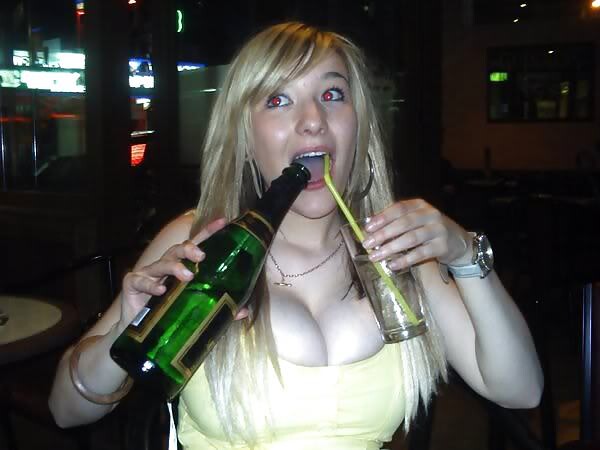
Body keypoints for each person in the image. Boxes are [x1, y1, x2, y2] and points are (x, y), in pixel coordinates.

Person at [49, 22, 543, 449]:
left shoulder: (396, 249)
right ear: (246, 135)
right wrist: (127, 332)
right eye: (278, 100)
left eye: (332, 95)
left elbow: (521, 390)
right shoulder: (200, 241)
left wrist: (465, 254)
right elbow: (66, 411)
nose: (312, 120)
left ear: (359, 125)